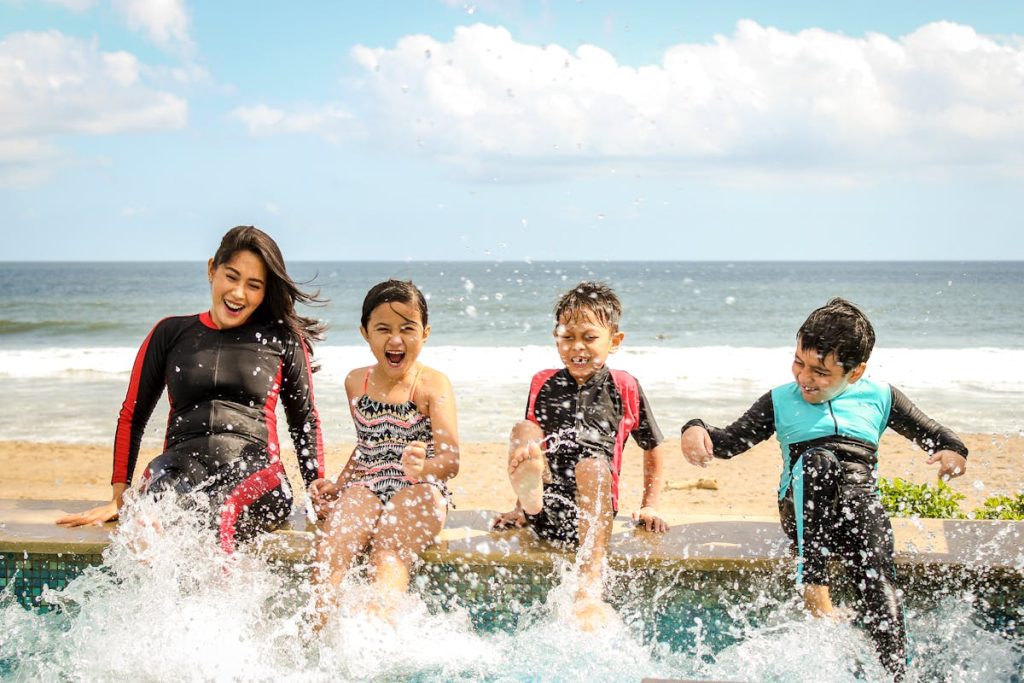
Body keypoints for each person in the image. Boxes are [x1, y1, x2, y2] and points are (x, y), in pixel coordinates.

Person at [680, 297, 968, 680]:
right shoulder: (781, 399)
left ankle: (896, 672)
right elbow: (730, 442)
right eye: (799, 362)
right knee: (819, 462)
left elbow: (934, 433)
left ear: (855, 372)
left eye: (820, 371)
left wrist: (952, 451)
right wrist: (695, 427)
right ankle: (815, 588)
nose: (804, 378)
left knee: (877, 565)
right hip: (802, 507)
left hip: (858, 509)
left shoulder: (880, 396)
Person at [56, 226, 326, 553]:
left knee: (218, 518)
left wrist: (316, 492)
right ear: (212, 269)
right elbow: (133, 415)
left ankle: (220, 604)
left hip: (256, 472)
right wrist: (119, 496)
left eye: (253, 286)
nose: (239, 293)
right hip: (178, 466)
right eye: (232, 276)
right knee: (147, 518)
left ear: (264, 292)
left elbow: (304, 422)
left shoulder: (280, 340)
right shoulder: (170, 333)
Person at [495, 281, 668, 630]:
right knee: (523, 432)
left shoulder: (624, 386)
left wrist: (650, 503)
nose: (577, 347)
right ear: (555, 337)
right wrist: (518, 508)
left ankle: (589, 584)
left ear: (614, 341)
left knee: (591, 464)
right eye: (567, 336)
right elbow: (532, 453)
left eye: (589, 337)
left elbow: (653, 446)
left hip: (593, 519)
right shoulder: (542, 382)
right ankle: (527, 503)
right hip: (547, 511)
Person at [308, 279, 459, 623]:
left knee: (388, 551)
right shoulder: (355, 382)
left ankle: (380, 628)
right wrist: (340, 483)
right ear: (365, 332)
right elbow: (367, 445)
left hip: (421, 489)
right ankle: (317, 633)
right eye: (383, 329)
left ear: (425, 333)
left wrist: (424, 470)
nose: (395, 339)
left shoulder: (433, 384)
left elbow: (452, 461)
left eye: (407, 329)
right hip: (368, 484)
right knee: (332, 547)